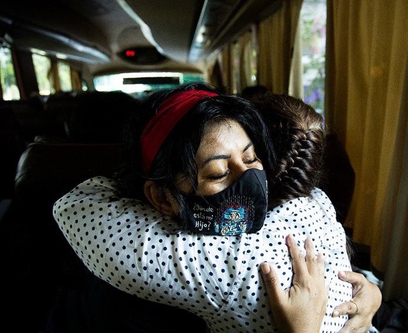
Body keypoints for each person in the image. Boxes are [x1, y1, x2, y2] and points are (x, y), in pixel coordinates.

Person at [53, 84, 378, 332]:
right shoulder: (315, 200)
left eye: (251, 158)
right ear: (163, 197)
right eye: (219, 173)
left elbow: (74, 206)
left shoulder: (206, 259)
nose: (248, 179)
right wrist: (372, 289)